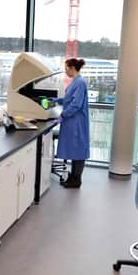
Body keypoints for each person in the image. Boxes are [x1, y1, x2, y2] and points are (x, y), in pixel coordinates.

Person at [52, 58, 90, 189]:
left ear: (73, 68)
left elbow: (76, 104)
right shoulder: (76, 82)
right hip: (72, 122)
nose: (65, 71)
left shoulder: (80, 82)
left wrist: (63, 115)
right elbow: (69, 100)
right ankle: (73, 177)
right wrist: (57, 100)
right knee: (75, 150)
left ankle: (76, 180)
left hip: (77, 122)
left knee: (78, 151)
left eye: (66, 68)